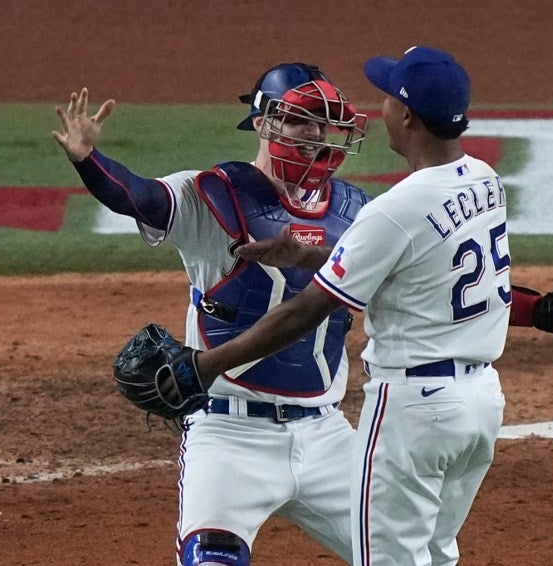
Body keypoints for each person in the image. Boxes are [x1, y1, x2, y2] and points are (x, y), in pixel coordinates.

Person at [193, 46, 511, 565]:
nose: (379, 107)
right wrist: (312, 253)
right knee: (434, 555)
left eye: (388, 97)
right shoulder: (485, 181)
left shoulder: (393, 210)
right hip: (480, 405)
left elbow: (307, 310)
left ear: (406, 115)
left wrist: (206, 365)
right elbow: (414, 263)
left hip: (416, 410)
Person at [52, 64, 371, 565]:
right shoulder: (213, 196)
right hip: (228, 435)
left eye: (322, 124)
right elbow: (138, 196)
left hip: (327, 434)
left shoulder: (357, 212)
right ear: (265, 122)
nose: (314, 135)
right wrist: (89, 158)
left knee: (415, 555)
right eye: (302, 120)